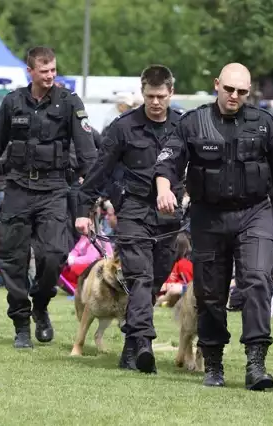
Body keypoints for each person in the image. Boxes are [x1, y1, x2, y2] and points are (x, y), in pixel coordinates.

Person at [154, 63, 273, 390]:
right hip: (207, 217)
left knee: (257, 281)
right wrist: (164, 187)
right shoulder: (193, 122)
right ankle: (213, 363)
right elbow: (167, 162)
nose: (235, 96)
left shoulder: (264, 123)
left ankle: (256, 364)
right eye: (229, 89)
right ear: (216, 85)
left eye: (242, 91)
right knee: (210, 293)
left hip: (254, 213)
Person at [0, 46, 97, 349]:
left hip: (54, 190)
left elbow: (88, 155)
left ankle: (40, 304)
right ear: (30, 71)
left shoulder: (69, 102)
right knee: (11, 259)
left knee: (53, 256)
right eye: (44, 71)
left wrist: (88, 200)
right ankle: (21, 323)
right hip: (16, 188)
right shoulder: (13, 102)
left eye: (53, 69)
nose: (50, 75)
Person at [76, 65, 182, 373]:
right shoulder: (124, 127)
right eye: (150, 96)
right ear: (142, 92)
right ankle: (144, 341)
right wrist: (85, 210)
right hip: (134, 210)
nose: (155, 102)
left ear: (171, 93)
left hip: (170, 214)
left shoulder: (183, 126)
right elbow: (100, 168)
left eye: (161, 96)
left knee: (155, 280)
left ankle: (131, 343)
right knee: (139, 276)